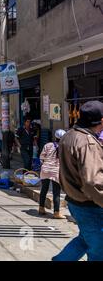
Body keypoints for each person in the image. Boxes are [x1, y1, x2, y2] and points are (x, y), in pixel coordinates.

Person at [53, 101, 103, 261]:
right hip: (90, 206)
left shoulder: (69, 135)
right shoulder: (87, 143)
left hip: (75, 201)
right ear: (101, 121)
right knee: (99, 250)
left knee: (85, 241)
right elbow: (92, 182)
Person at [38, 129, 67, 219]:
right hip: (56, 171)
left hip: (45, 170)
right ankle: (56, 213)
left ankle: (41, 208)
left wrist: (45, 165)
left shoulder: (48, 145)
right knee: (56, 192)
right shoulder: (65, 147)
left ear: (55, 137)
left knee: (44, 190)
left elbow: (41, 158)